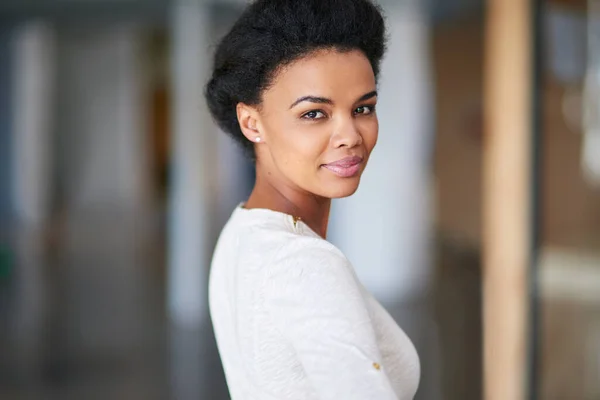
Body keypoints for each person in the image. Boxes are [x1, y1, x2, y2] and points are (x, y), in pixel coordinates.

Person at [206, 0, 420, 398]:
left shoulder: (240, 234)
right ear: (252, 122)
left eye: (363, 108)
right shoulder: (304, 265)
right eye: (314, 114)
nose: (350, 135)